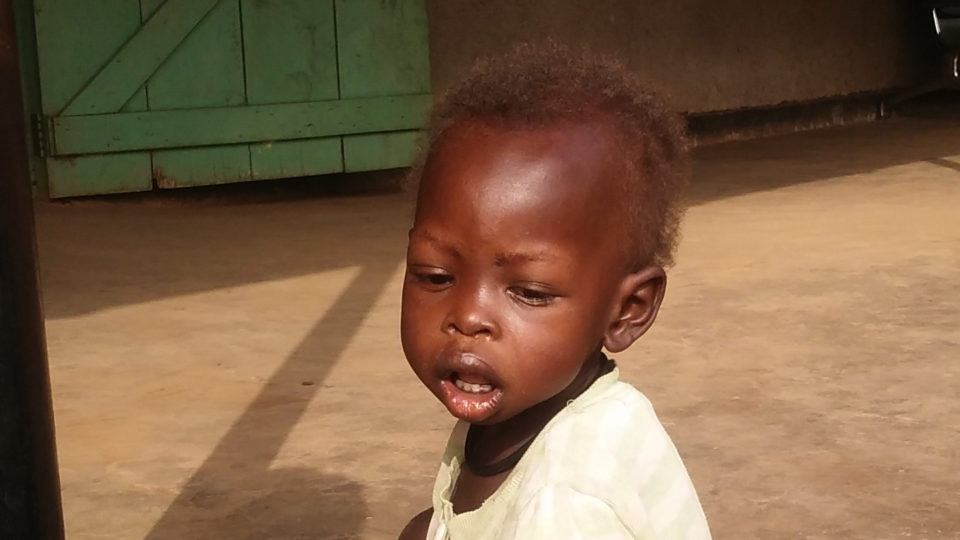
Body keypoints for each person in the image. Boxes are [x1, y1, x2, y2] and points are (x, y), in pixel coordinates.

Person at [397, 43, 710, 540]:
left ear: (628, 309)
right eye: (436, 276)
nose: (469, 317)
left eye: (530, 292)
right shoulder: (538, 405)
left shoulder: (563, 507)